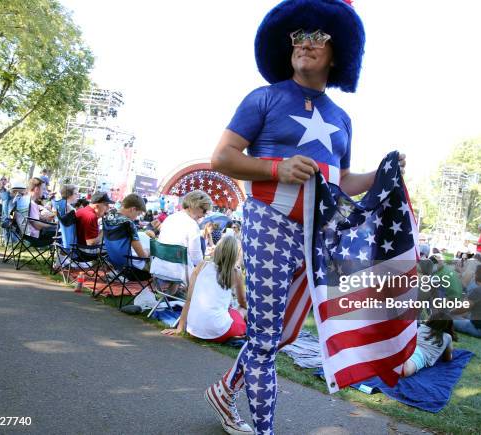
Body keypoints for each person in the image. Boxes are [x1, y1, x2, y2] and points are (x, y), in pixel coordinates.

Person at [204, 2, 407, 434]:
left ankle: (224, 392)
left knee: (283, 335)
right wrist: (277, 168)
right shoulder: (263, 98)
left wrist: (385, 172)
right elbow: (222, 158)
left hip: (318, 238)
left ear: (338, 52)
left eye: (317, 36)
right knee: (264, 339)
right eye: (298, 35)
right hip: (269, 223)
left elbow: (344, 180)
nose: (305, 43)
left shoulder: (342, 118)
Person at [164, 235, 248, 342]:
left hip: (193, 329)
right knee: (242, 309)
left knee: (229, 311)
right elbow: (243, 302)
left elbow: (189, 299)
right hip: (219, 332)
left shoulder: (202, 265)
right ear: (235, 254)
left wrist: (179, 328)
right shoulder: (236, 273)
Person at [152, 190, 212, 282]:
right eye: (204, 210)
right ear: (196, 205)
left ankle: (171, 294)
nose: (204, 215)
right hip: (179, 273)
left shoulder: (170, 218)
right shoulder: (192, 225)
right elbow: (196, 258)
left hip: (159, 268)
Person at [401, 312, 456, 377]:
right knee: (405, 371)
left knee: (403, 368)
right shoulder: (447, 337)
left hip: (410, 348)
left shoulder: (422, 327)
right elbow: (447, 358)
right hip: (420, 354)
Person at [104, 193, 149, 270]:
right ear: (133, 209)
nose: (136, 217)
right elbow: (142, 255)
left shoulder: (109, 215)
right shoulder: (128, 224)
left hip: (112, 260)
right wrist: (148, 252)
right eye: (138, 214)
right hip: (127, 268)